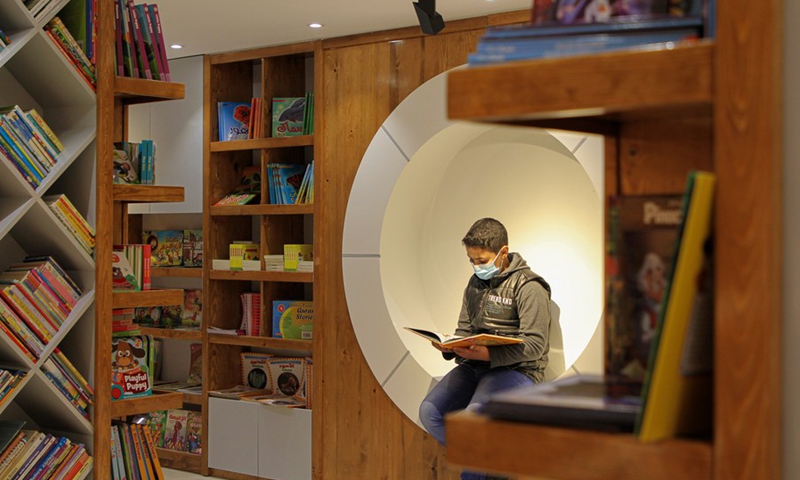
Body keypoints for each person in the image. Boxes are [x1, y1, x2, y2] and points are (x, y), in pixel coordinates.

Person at [419, 218, 552, 480]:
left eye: (482, 260)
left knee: (471, 427)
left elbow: (535, 346)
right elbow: (465, 330)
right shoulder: (474, 285)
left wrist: (490, 354)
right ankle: (492, 458)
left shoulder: (530, 287)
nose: (476, 266)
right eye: (471, 260)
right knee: (430, 412)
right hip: (474, 366)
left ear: (503, 252)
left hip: (518, 371)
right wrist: (450, 347)